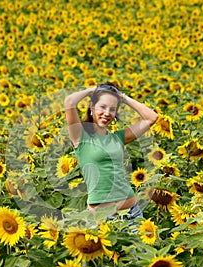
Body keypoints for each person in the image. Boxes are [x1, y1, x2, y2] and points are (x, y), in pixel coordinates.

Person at [64, 82, 158, 229]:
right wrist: (92, 90)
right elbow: (69, 102)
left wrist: (123, 97)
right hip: (101, 217)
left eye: (112, 109)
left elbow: (151, 117)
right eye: (102, 107)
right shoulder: (80, 137)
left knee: (138, 252)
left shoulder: (118, 137)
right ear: (92, 107)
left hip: (131, 212)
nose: (107, 113)